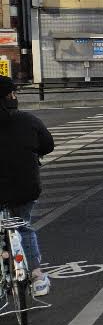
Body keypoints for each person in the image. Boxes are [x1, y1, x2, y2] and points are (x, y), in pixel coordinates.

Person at [0, 76, 53, 297]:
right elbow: (48, 145)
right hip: (25, 186)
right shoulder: (28, 119)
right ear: (10, 96)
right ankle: (38, 277)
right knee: (23, 227)